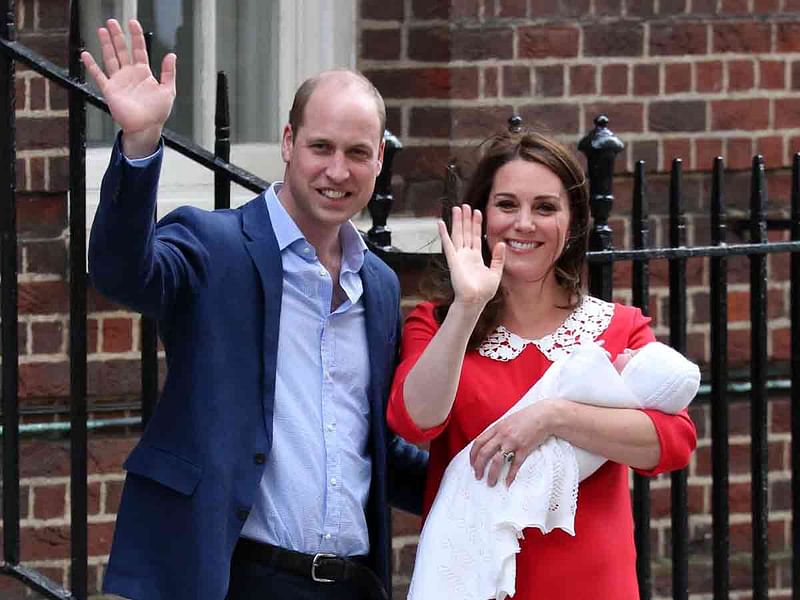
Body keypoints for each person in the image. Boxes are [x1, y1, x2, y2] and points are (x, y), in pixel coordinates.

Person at [82, 18, 427, 600]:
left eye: (357, 153)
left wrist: (497, 477)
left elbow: (375, 443)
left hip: (350, 583)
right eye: (321, 147)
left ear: (377, 164)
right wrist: (140, 145)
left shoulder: (381, 285)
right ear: (289, 142)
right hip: (233, 577)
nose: (337, 171)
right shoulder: (213, 246)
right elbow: (122, 272)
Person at [387, 128, 697, 599]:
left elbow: (673, 442)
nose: (524, 223)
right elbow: (415, 421)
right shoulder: (437, 323)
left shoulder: (617, 328)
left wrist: (553, 417)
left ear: (572, 224)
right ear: (482, 217)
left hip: (594, 584)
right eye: (507, 205)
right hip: (476, 585)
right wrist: (469, 305)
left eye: (545, 208)